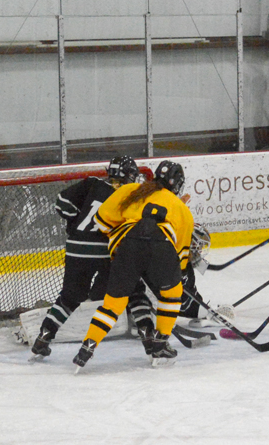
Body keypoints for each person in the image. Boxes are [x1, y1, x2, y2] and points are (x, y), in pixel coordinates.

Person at [73, 160, 193, 370]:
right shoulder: (181, 208)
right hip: (161, 247)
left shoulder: (131, 189)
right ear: (177, 184)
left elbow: (101, 222)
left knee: (113, 303)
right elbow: (181, 256)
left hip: (127, 247)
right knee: (172, 293)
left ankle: (88, 346)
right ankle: (160, 343)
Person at [29, 156, 153, 360]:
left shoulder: (92, 183)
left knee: (70, 297)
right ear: (130, 175)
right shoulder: (130, 194)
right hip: (107, 251)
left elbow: (61, 204)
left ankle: (44, 337)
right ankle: (149, 336)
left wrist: (77, 222)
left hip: (77, 247)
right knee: (133, 290)